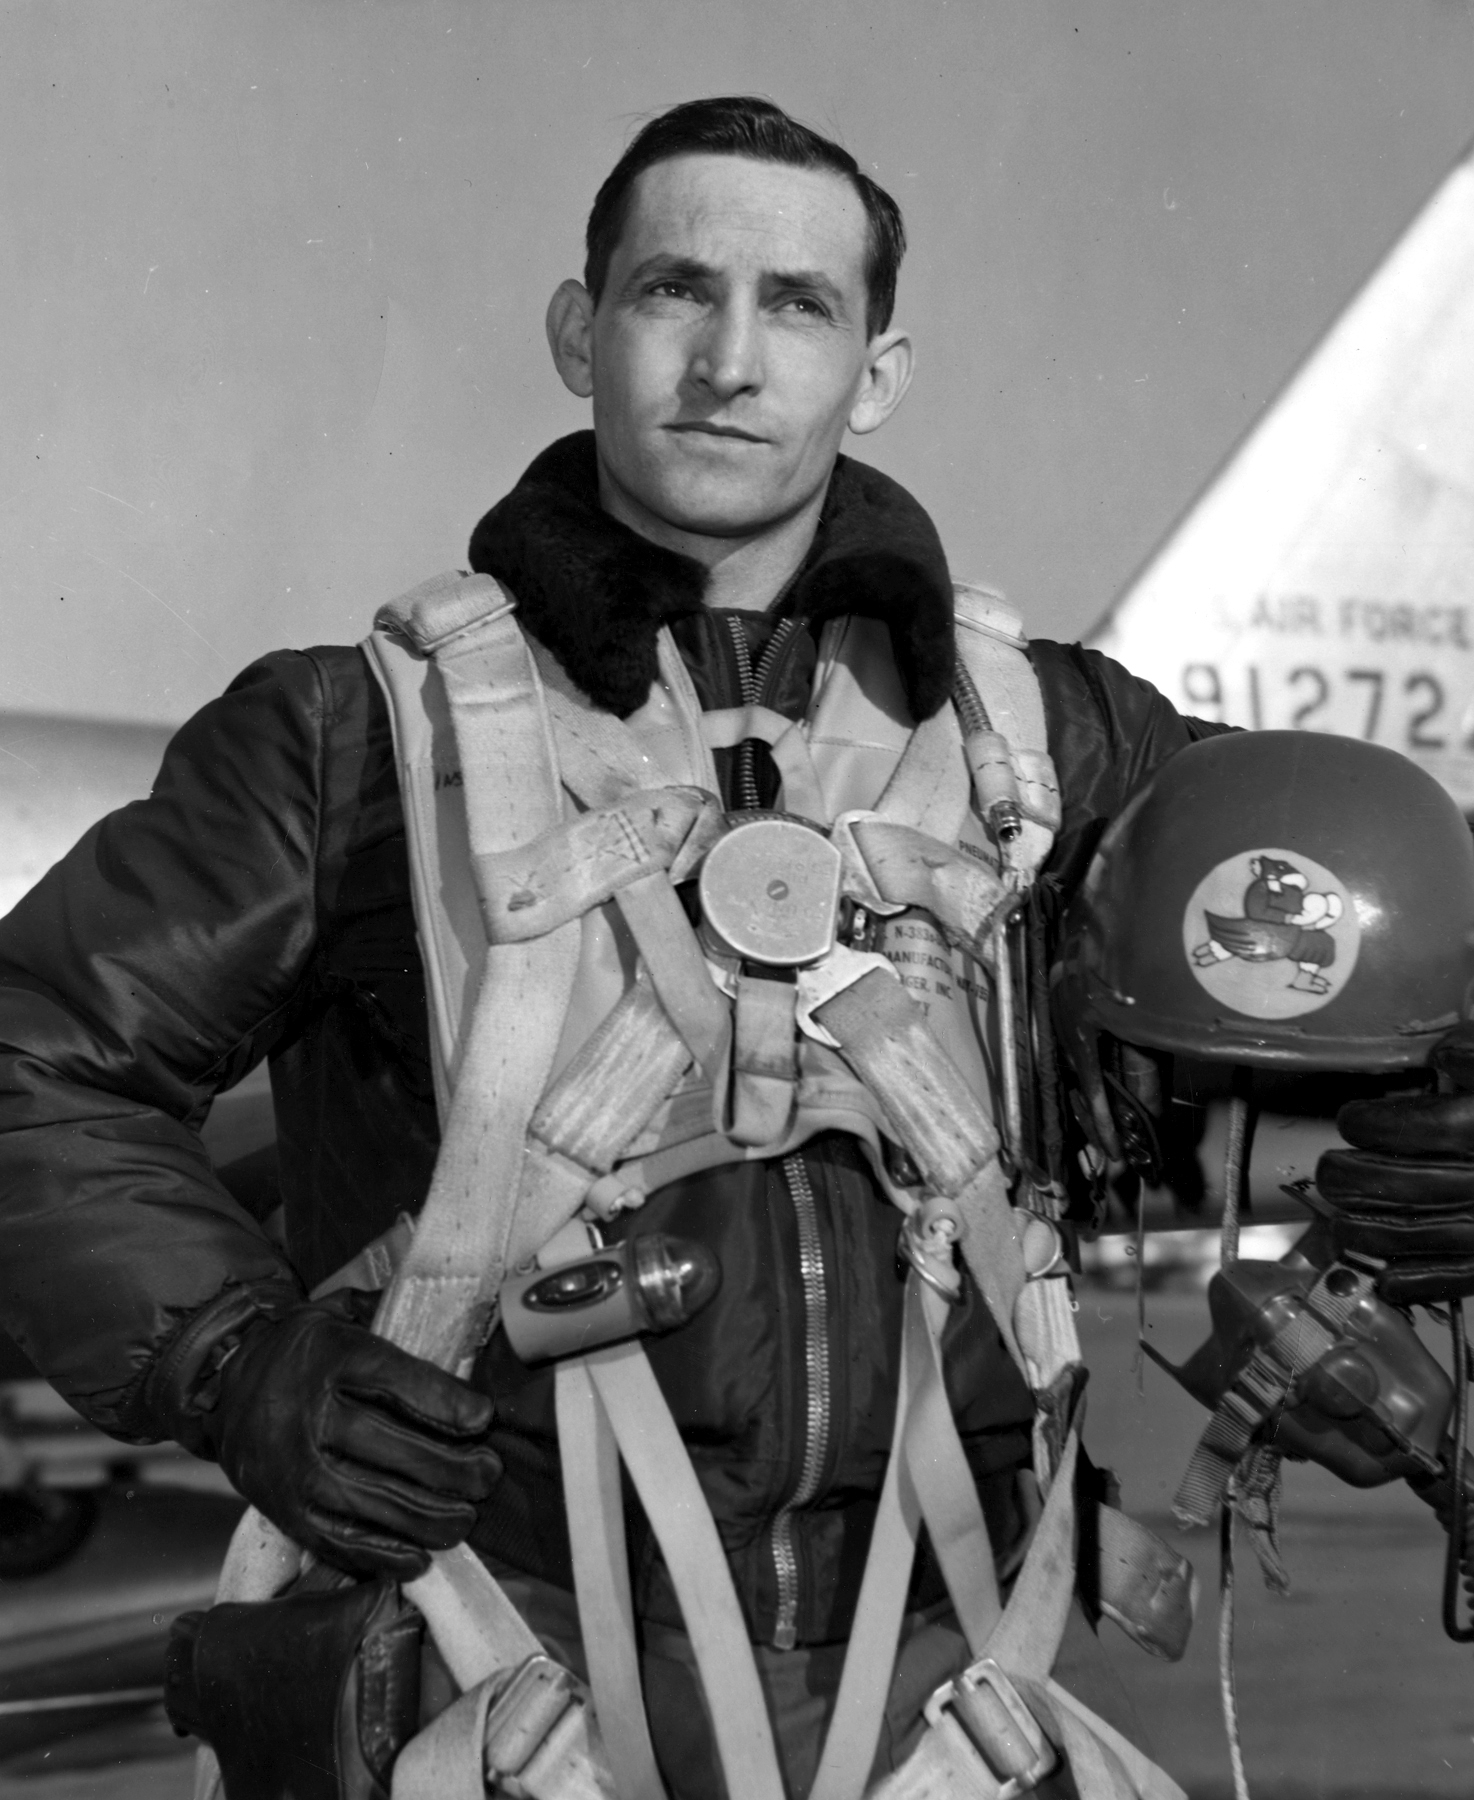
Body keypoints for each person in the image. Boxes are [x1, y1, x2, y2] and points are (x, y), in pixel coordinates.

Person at [2, 94, 1457, 1799]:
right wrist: (244, 1367)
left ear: (878, 369)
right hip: (504, 1693)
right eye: (672, 293)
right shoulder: (360, 737)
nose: (728, 361)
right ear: (580, 329)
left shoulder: (1053, 749)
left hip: (947, 1701)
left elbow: (1400, 924)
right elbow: (38, 1062)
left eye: (797, 306)